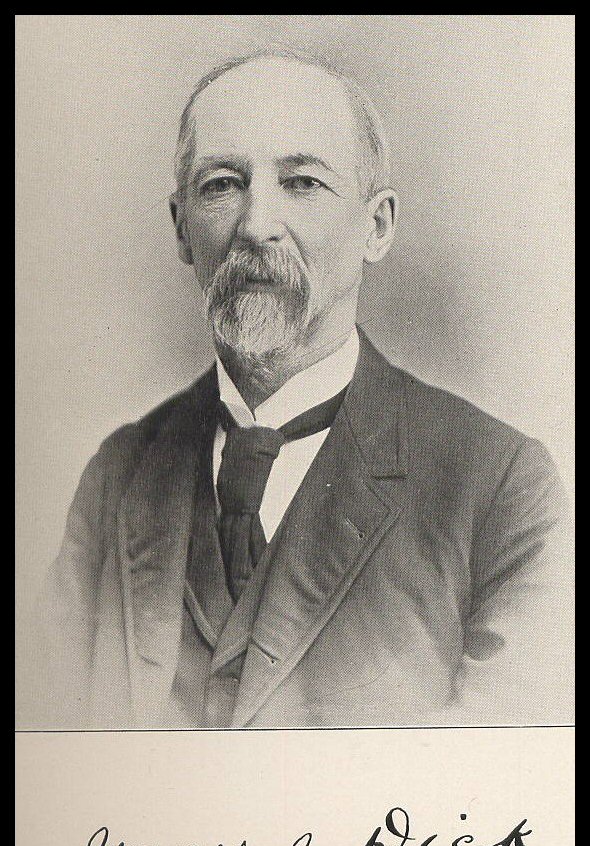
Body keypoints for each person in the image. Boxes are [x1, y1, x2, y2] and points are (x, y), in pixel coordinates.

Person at [30, 50, 573, 729]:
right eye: (222, 184)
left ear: (377, 226)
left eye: (303, 182)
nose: (256, 224)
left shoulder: (500, 487)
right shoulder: (117, 477)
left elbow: (501, 770)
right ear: (181, 228)